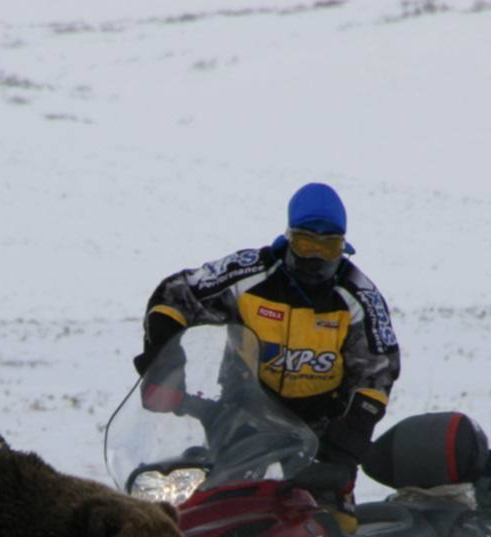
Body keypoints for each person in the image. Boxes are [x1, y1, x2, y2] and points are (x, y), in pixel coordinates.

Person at [133, 182, 400, 518]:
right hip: (241, 422)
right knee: (214, 518)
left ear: (344, 248)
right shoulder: (248, 273)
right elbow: (174, 295)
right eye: (306, 243)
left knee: (330, 529)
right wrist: (164, 367)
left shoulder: (359, 299)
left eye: (329, 246)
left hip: (320, 437)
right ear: (289, 237)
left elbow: (379, 371)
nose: (316, 256)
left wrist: (346, 447)